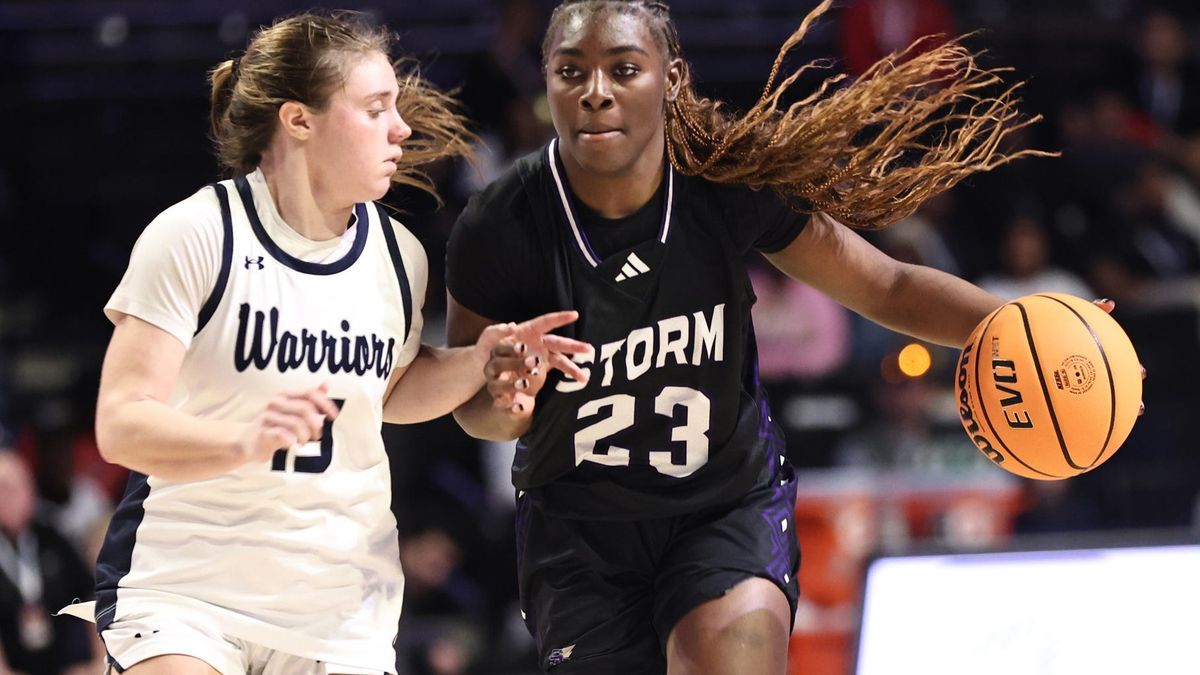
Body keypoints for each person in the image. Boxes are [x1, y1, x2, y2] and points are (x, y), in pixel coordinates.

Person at [444, 1, 1082, 673]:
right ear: (546, 82)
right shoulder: (499, 224)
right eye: (570, 71)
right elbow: (474, 411)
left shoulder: (724, 186)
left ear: (671, 78)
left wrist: (1015, 323)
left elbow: (885, 286)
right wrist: (502, 396)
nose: (594, 92)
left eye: (623, 69)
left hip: (722, 504)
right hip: (580, 529)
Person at [59, 11, 590, 675]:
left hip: (337, 601)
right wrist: (239, 441)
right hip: (188, 584)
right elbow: (121, 422)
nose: (401, 129)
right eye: (374, 110)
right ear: (299, 121)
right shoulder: (197, 234)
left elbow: (387, 390)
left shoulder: (399, 257)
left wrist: (480, 361)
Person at [0, 452, 96, 675]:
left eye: (16, 488)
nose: (9, 497)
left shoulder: (53, 538)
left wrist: (100, 659)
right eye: (3, 489)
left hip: (62, 664)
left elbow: (90, 593)